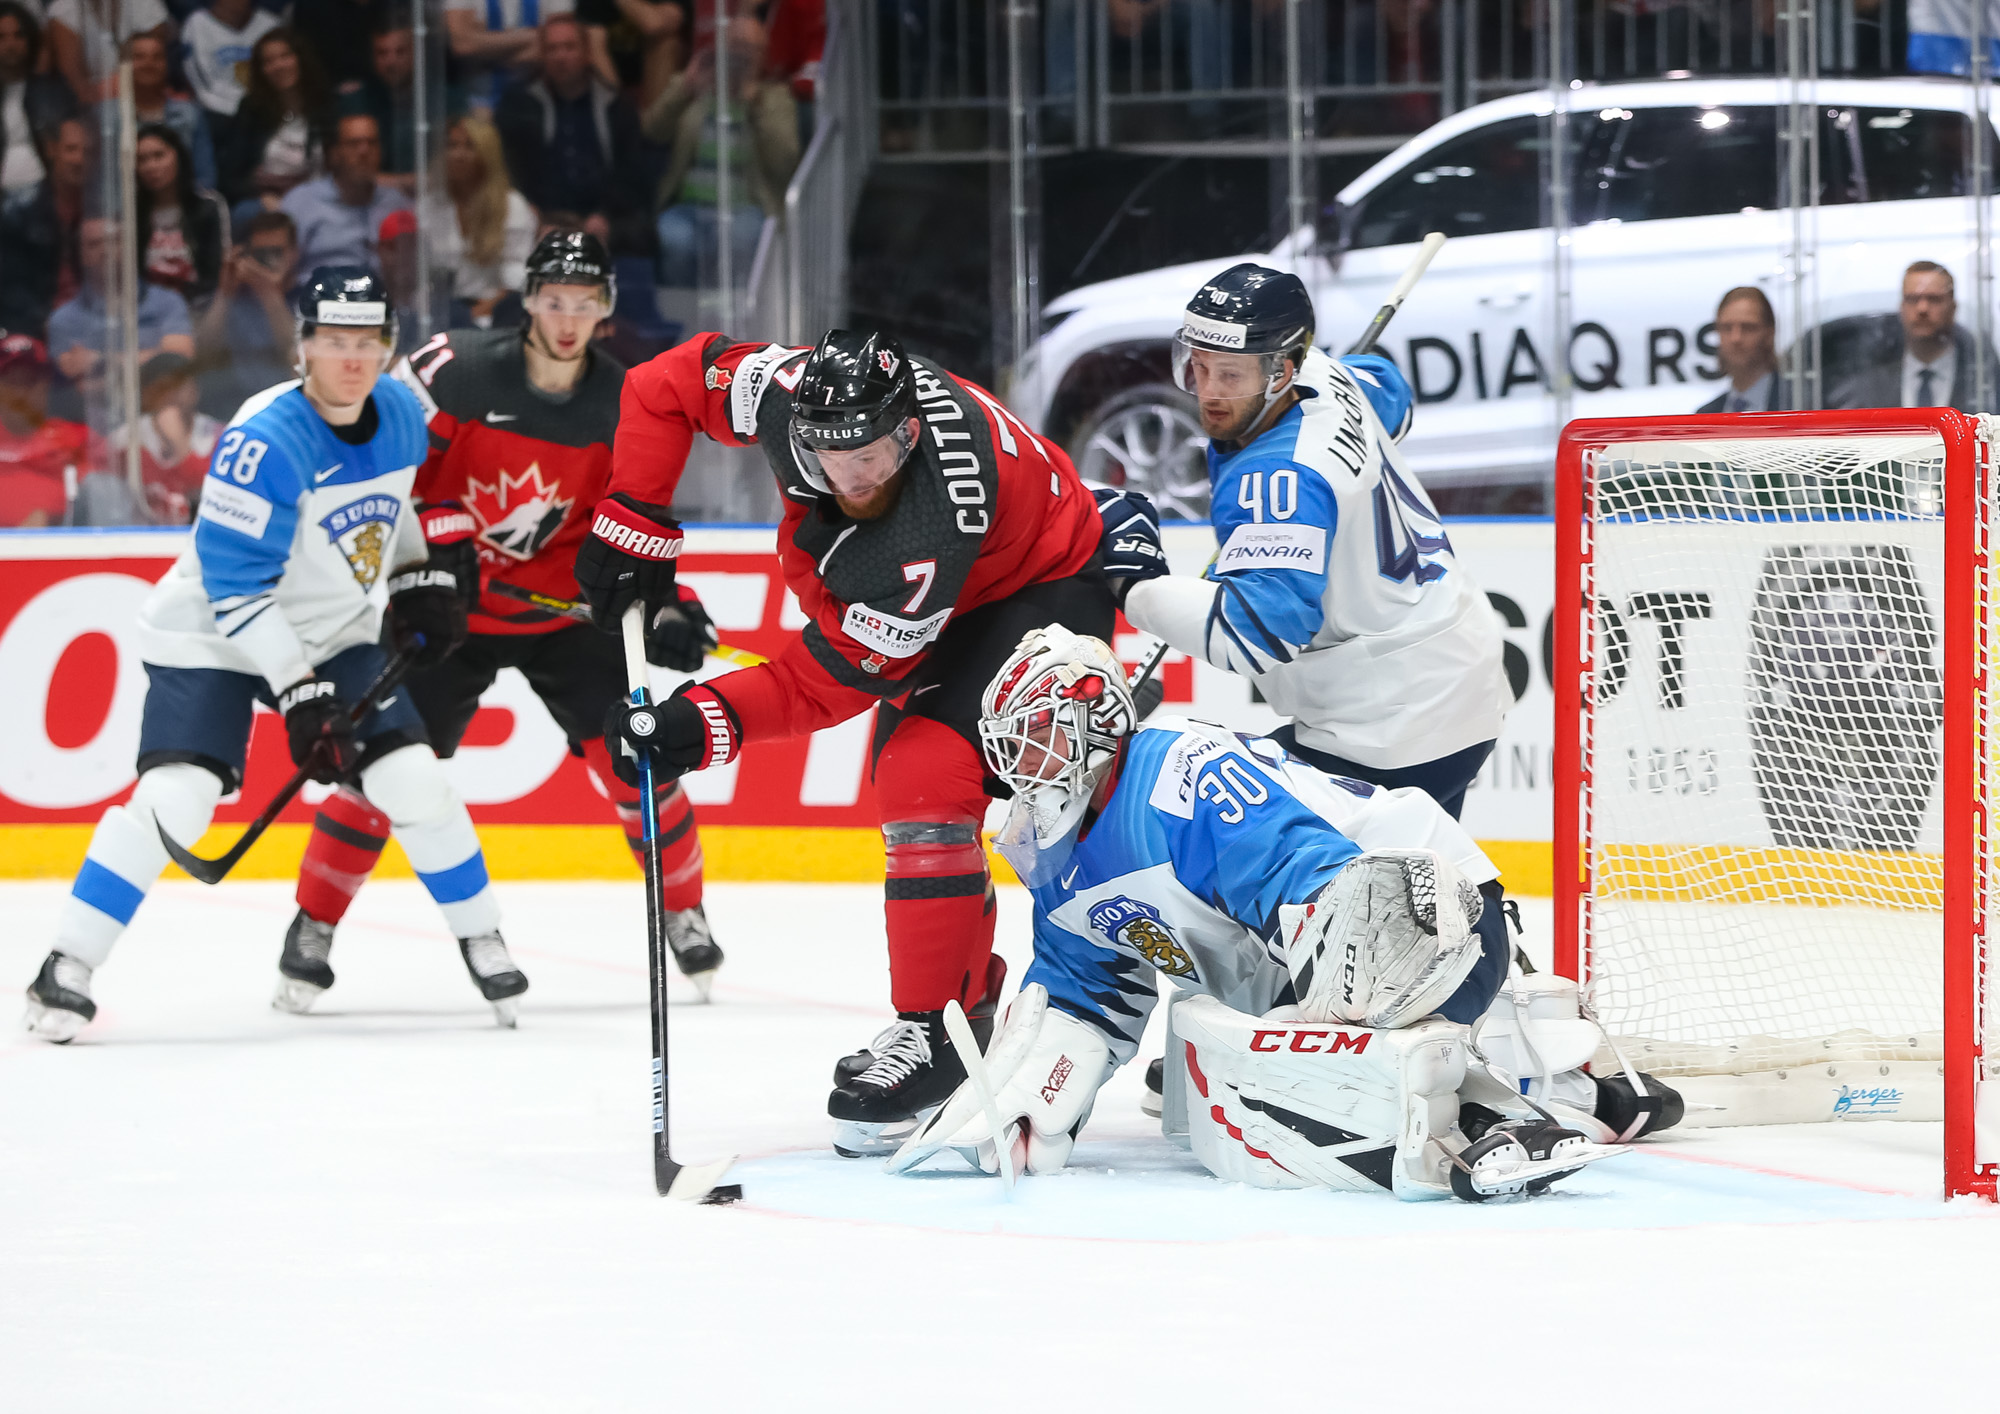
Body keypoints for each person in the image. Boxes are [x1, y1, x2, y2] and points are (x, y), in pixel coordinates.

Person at [888, 626, 1672, 1199]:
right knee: (1216, 1082)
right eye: (1009, 748)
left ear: (1094, 721)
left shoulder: (1182, 777)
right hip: (1329, 952)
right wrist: (1037, 1091)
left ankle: (1502, 1114)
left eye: (1036, 741)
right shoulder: (1041, 846)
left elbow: (1339, 908)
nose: (1020, 767)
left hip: (1428, 907)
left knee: (1287, 1071)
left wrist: (1294, 1047)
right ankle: (1576, 1076)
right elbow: (1087, 986)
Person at [590, 325, 1109, 1156]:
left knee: (922, 776)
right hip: (973, 580)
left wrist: (697, 723)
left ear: (910, 431)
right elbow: (665, 382)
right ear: (801, 430)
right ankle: (958, 1012)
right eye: (836, 457)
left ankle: (941, 1030)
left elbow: (823, 684)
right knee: (916, 781)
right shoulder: (785, 392)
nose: (857, 477)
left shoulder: (924, 533)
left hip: (1040, 584)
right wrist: (635, 517)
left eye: (874, 454)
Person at [22, 266, 529, 1042]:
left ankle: (481, 934)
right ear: (303, 348)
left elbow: (387, 512)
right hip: (215, 635)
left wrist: (417, 575)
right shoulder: (263, 441)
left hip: (330, 630)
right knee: (178, 800)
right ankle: (67, 964)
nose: (351, 360)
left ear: (386, 347)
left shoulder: (397, 413)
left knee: (414, 779)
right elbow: (238, 594)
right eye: (334, 342)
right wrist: (301, 696)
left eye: (367, 343)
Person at [279, 232, 728, 1004]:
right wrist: (436, 545)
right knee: (378, 772)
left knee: (641, 764)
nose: (567, 318)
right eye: (553, 300)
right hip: (445, 614)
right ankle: (311, 925)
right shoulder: (453, 370)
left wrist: (669, 601)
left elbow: (633, 520)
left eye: (584, 304)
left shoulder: (628, 401)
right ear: (527, 300)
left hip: (567, 617)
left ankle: (683, 912)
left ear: (606, 311)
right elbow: (390, 469)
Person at [1112, 263, 1509, 822]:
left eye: (1232, 374)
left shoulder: (1278, 478)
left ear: (1283, 370)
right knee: (1422, 886)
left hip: (1388, 727)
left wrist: (1131, 584)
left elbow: (1253, 636)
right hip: (1455, 681)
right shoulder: (1329, 375)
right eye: (1197, 367)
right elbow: (1392, 395)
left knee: (1226, 834)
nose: (1209, 392)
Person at [642, 10, 797, 289]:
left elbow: (785, 161)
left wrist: (756, 105)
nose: (742, 56)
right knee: (676, 239)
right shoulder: (691, 87)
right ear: (719, 48)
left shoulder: (775, 99)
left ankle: (739, 325)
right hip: (689, 207)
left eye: (751, 49)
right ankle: (684, 322)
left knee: (740, 237)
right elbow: (652, 131)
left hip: (746, 208)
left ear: (764, 55)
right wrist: (686, 91)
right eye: (736, 46)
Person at [495, 15, 647, 247]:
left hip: (604, 216)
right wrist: (530, 213)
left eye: (569, 47)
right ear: (542, 56)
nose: (560, 56)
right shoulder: (518, 105)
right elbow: (508, 166)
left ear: (587, 53)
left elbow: (631, 171)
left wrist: (604, 215)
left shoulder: (617, 105)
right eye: (552, 49)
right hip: (540, 215)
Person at [47, 213, 196, 406]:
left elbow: (178, 357)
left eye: (114, 241)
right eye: (94, 244)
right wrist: (150, 361)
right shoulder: (63, 319)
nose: (105, 251)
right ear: (81, 254)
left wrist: (99, 361)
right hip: (93, 422)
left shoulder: (168, 302)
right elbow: (80, 387)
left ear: (129, 245)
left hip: (159, 409)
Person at [1829, 260, 2000, 413]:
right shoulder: (1870, 383)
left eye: (1934, 299)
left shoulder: (1983, 379)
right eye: (1912, 299)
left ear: (1953, 307)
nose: (1922, 309)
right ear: (1901, 307)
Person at [422, 114, 535, 327]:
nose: (458, 154)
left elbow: (516, 281)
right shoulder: (430, 206)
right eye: (452, 145)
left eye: (469, 146)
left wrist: (475, 313)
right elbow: (423, 276)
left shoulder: (512, 206)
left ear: (486, 153)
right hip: (443, 312)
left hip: (496, 313)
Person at [279, 112, 410, 279]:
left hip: (380, 300)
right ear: (335, 153)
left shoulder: (397, 203)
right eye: (353, 144)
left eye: (372, 143)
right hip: (319, 299)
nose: (364, 151)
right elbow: (279, 271)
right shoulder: (302, 202)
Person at [219, 28, 335, 215]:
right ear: (261, 70)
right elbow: (231, 177)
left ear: (300, 58)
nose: (279, 65)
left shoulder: (326, 105)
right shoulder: (251, 110)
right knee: (245, 214)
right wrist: (259, 196)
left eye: (285, 56)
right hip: (266, 202)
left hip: (317, 197)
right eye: (269, 61)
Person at [196, 207, 297, 414]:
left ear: (295, 253)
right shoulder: (233, 298)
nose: (269, 260)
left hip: (286, 408)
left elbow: (299, 358)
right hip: (228, 407)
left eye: (276, 252)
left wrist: (270, 295)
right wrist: (225, 293)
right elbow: (202, 352)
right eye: (261, 253)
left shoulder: (309, 297)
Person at [106, 350, 222, 523]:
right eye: (164, 387)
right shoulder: (125, 440)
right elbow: (108, 501)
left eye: (180, 384)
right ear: (147, 395)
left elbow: (220, 498)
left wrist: (181, 445)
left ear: (195, 390)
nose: (173, 394)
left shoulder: (220, 436)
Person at [0, 113, 90, 338]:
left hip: (93, 328)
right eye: (71, 149)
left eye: (87, 151)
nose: (79, 159)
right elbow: (10, 288)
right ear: (52, 149)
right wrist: (50, 324)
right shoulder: (16, 211)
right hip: (31, 328)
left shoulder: (105, 209)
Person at [0, 329, 94, 526]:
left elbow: (105, 499)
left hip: (58, 549)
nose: (20, 392)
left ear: (46, 384)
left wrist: (52, 521)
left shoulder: (76, 439)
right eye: (12, 381)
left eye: (30, 380)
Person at [135, 121, 230, 308]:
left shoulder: (208, 207)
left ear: (178, 155)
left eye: (159, 155)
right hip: (147, 309)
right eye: (142, 160)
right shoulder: (133, 214)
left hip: (199, 304)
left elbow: (216, 271)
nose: (151, 166)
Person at [339, 16, 425, 198]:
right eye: (382, 53)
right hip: (367, 198)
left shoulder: (443, 98)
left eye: (400, 52)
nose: (391, 61)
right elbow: (349, 171)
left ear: (415, 53)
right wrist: (410, 182)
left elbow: (447, 174)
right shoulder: (356, 100)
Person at [1, 3, 80, 201]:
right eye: (1, 37)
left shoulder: (53, 91)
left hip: (46, 196)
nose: (10, 44)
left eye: (18, 35)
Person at [178, 0, 278, 150]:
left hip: (265, 110)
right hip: (215, 114)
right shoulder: (196, 25)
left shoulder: (271, 25)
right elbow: (199, 82)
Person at [127, 31, 220, 194]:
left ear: (166, 64)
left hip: (184, 207)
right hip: (129, 210)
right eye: (139, 57)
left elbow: (205, 177)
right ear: (125, 65)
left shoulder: (190, 113)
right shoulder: (109, 118)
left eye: (157, 57)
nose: (149, 63)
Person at [446, 0, 576, 105]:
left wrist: (482, 45)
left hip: (537, 105)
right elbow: (462, 44)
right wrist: (532, 35)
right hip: (475, 109)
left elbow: (554, 43)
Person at [44, 0, 170, 104]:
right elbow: (76, 91)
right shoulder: (63, 11)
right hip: (92, 113)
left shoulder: (146, 4)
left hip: (144, 101)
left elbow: (155, 71)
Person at [582, 0, 683, 111]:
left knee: (667, 43)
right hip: (613, 71)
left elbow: (653, 24)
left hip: (650, 69)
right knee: (594, 38)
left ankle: (656, 123)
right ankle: (618, 114)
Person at [1698, 285, 1785, 414]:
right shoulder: (1705, 415)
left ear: (1769, 333)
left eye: (1748, 327)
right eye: (1727, 328)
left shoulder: (1802, 403)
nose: (1736, 338)